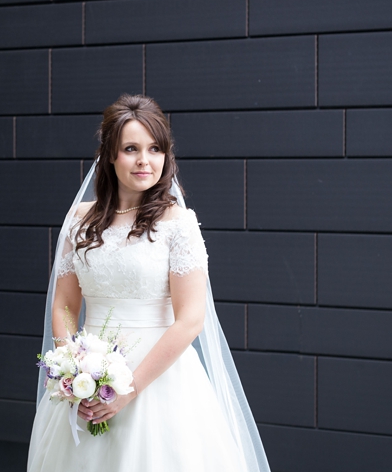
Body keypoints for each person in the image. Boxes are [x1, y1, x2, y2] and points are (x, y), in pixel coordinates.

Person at [27, 95, 271, 471]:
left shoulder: (178, 223)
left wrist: (128, 389)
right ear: (110, 155)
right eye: (131, 149)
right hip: (89, 379)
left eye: (155, 148)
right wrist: (73, 372)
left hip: (160, 381)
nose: (145, 160)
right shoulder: (79, 219)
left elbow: (190, 319)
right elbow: (64, 305)